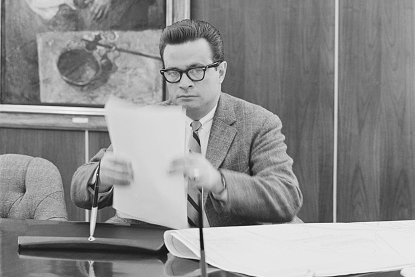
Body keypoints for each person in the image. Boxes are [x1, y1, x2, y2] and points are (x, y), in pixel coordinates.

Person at [71, 19, 303, 227]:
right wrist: (102, 176)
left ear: (220, 71)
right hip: (151, 245)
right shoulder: (146, 120)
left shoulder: (258, 122)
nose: (184, 83)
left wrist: (218, 181)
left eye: (196, 71)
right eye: (173, 72)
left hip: (222, 250)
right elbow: (79, 186)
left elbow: (286, 197)